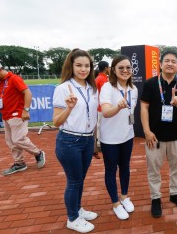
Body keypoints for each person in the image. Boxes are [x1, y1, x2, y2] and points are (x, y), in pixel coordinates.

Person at [140, 51, 177, 218]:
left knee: (176, 168)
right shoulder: (150, 83)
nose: (170, 64)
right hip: (155, 136)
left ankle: (175, 193)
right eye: (167, 61)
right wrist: (146, 131)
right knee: (153, 169)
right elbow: (144, 108)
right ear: (160, 64)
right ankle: (156, 197)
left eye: (173, 62)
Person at [52, 49, 98, 233]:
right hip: (69, 140)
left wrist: (94, 142)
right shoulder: (63, 88)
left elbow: (92, 116)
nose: (83, 69)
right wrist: (69, 108)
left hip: (87, 140)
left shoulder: (92, 88)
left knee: (80, 179)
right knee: (73, 181)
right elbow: (56, 122)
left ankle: (78, 209)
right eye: (79, 65)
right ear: (71, 66)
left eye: (87, 66)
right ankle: (72, 218)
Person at [0, 61, 45, 176]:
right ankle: (19, 163)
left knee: (18, 139)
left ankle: (38, 153)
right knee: (11, 141)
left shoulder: (14, 79)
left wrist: (26, 110)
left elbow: (28, 93)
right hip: (6, 115)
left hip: (17, 115)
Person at [99, 55, 137, 220]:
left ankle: (124, 196)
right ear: (113, 69)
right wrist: (118, 107)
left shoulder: (134, 89)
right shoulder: (108, 87)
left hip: (127, 136)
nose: (125, 70)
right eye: (121, 67)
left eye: (128, 67)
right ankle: (115, 203)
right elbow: (106, 113)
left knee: (125, 167)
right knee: (111, 170)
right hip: (110, 139)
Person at [94, 60, 110, 159]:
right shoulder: (102, 79)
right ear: (105, 68)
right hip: (101, 107)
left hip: (99, 106)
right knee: (101, 125)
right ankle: (99, 144)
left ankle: (99, 143)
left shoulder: (98, 78)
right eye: (108, 67)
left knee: (99, 125)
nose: (109, 69)